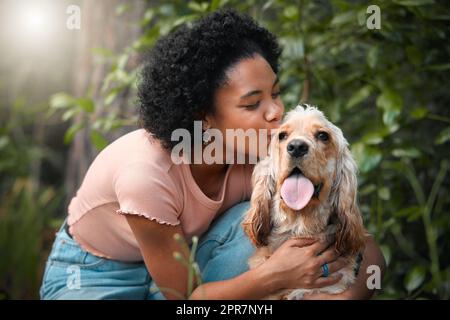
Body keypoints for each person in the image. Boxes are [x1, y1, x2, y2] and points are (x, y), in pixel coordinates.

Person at [40, 8, 385, 300]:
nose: (274, 113)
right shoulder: (145, 176)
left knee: (271, 219)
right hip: (95, 274)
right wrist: (275, 276)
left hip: (186, 262)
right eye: (252, 103)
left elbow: (362, 244)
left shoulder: (266, 153)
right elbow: (186, 300)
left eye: (275, 94)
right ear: (203, 115)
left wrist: (347, 295)